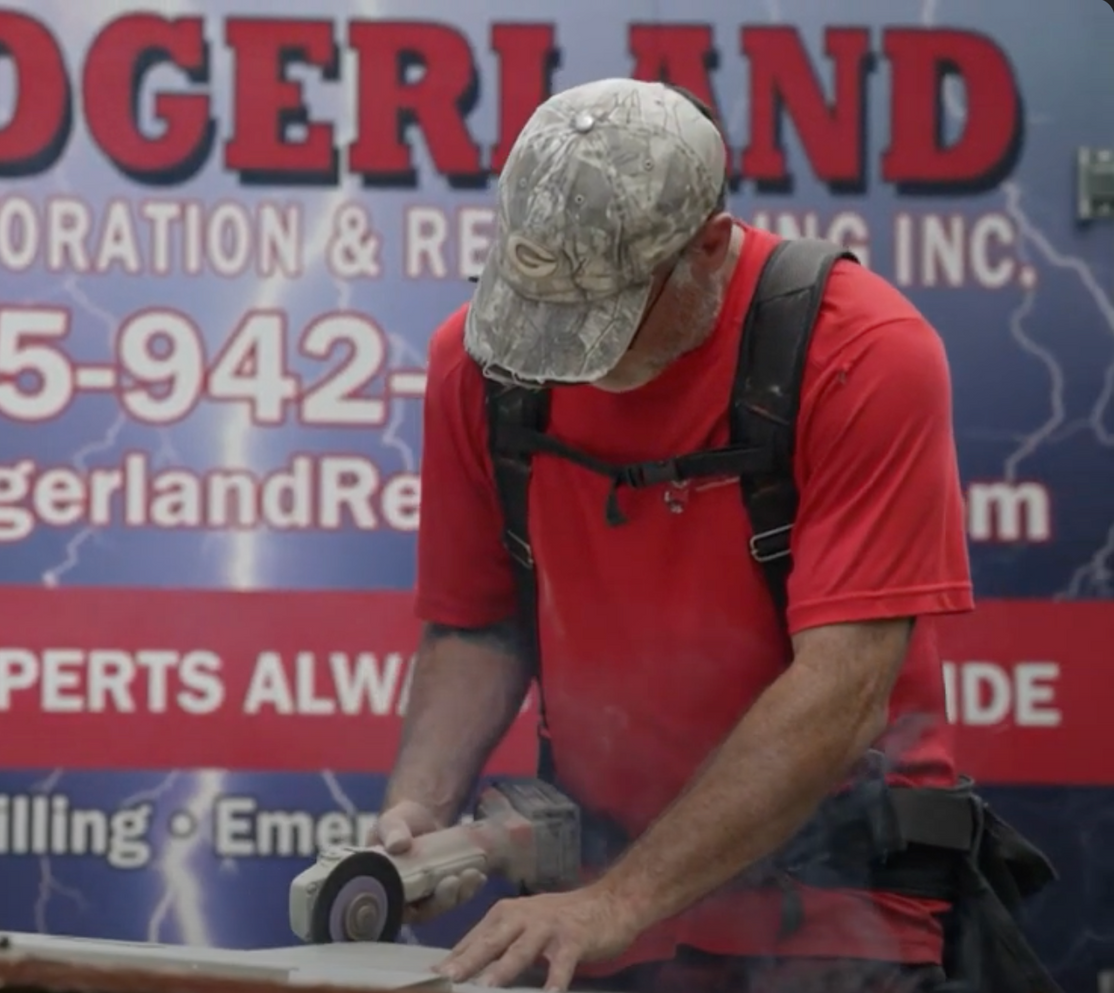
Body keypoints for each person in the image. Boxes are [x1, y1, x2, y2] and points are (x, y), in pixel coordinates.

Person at [381, 77, 983, 993]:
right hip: (594, 917)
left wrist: (620, 900)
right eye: (542, 314)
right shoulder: (483, 365)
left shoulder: (862, 351)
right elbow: (479, 624)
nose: (558, 353)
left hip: (832, 912)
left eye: (599, 324)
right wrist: (419, 808)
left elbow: (842, 690)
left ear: (709, 246)